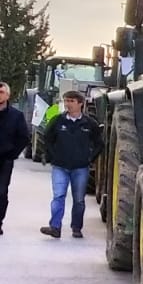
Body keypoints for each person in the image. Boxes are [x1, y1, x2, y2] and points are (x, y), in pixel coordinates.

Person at [41, 91, 103, 240]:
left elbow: (99, 144)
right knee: (58, 196)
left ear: (80, 103)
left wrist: (89, 159)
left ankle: (76, 227)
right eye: (66, 101)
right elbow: (48, 138)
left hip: (80, 168)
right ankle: (55, 227)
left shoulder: (89, 124)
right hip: (60, 166)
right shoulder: (57, 121)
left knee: (79, 199)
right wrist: (51, 155)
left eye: (71, 101)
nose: (68, 104)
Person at [0, 82, 31, 236]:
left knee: (1, 192)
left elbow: (24, 137)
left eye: (1, 92)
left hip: (5, 160)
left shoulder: (16, 115)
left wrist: (13, 153)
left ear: (7, 95)